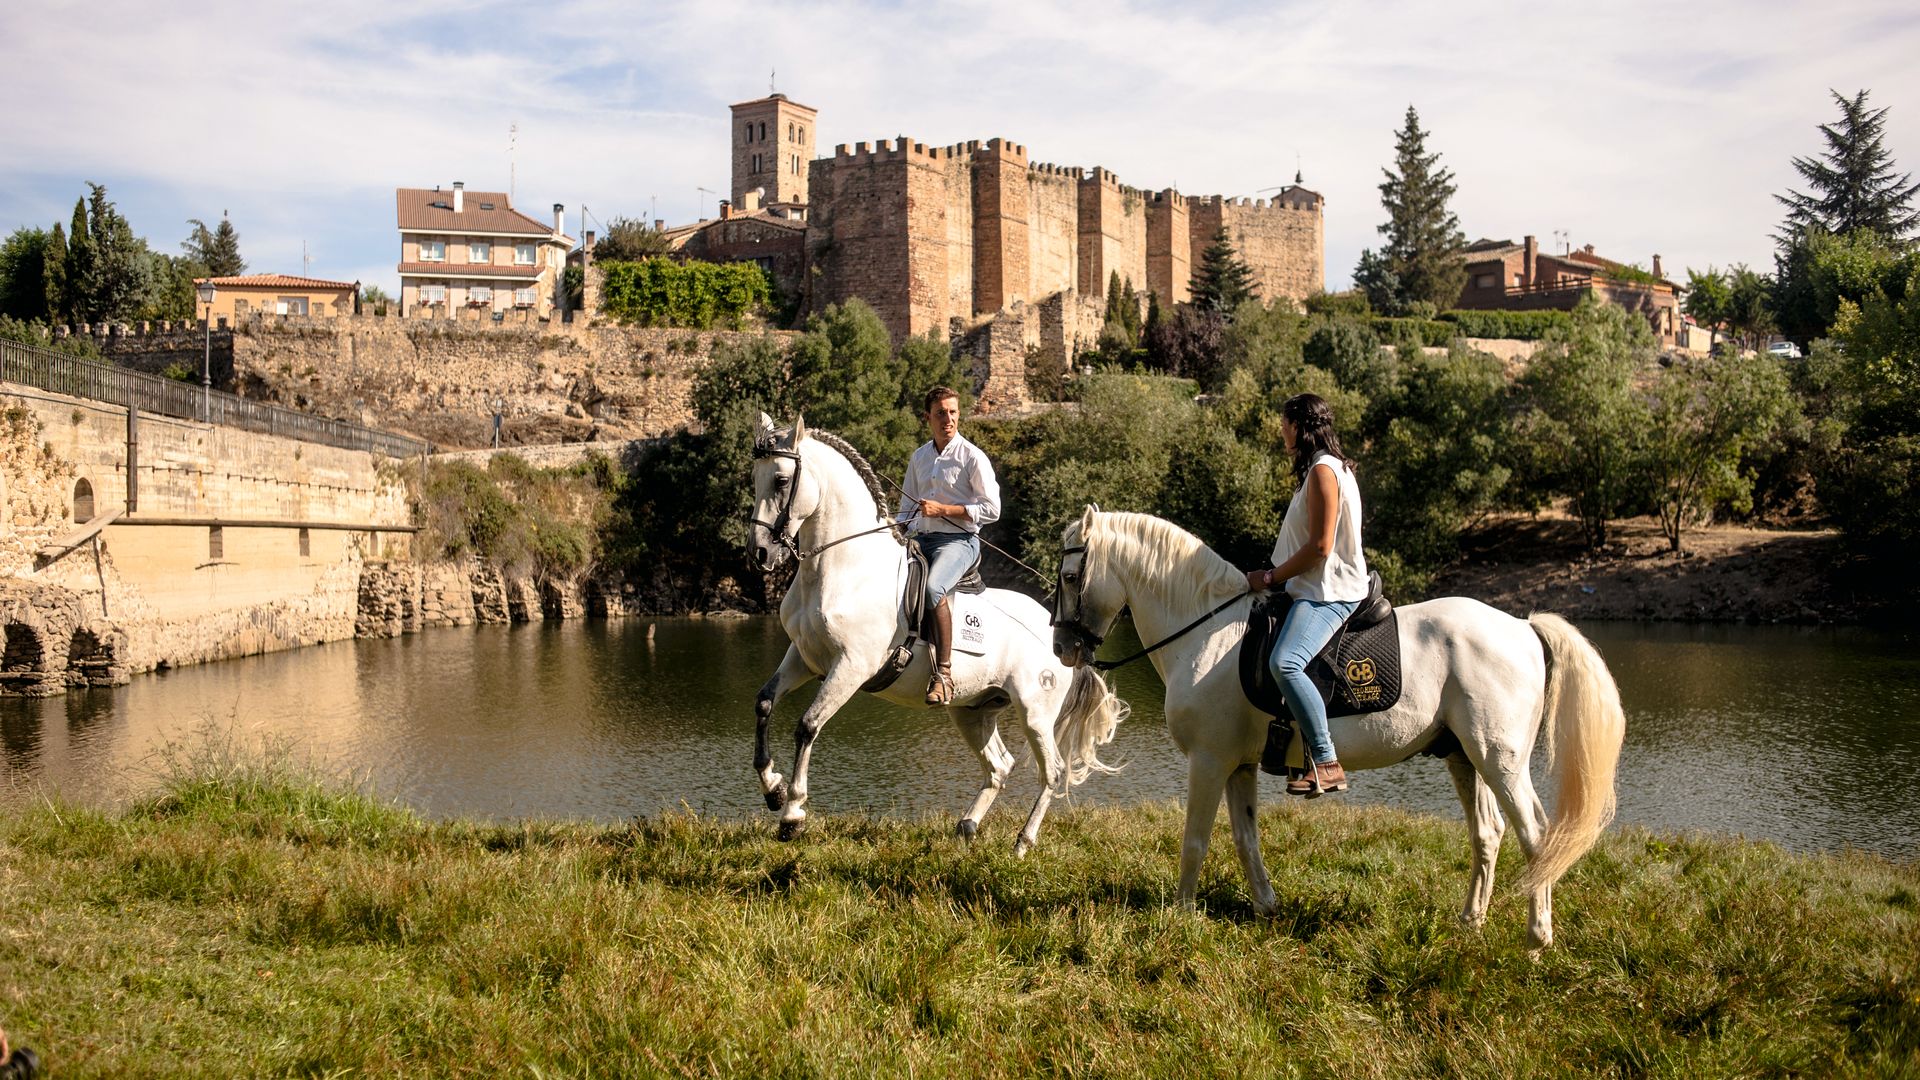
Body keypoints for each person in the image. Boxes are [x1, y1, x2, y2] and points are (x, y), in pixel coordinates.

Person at [1245, 392, 1369, 796]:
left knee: (1285, 663)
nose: (1282, 433)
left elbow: (1320, 546)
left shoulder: (1322, 471)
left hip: (1329, 591)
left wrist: (1270, 577)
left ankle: (1327, 761)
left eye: (1285, 425)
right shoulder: (1328, 468)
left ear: (1300, 426)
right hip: (1316, 586)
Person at [897, 386, 1001, 705]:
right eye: (941, 412)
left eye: (953, 412)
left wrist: (944, 510)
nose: (948, 418)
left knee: (932, 590)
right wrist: (892, 528)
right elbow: (906, 510)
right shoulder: (919, 457)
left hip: (960, 542)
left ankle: (943, 675)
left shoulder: (972, 456)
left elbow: (992, 509)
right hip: (921, 541)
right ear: (927, 417)